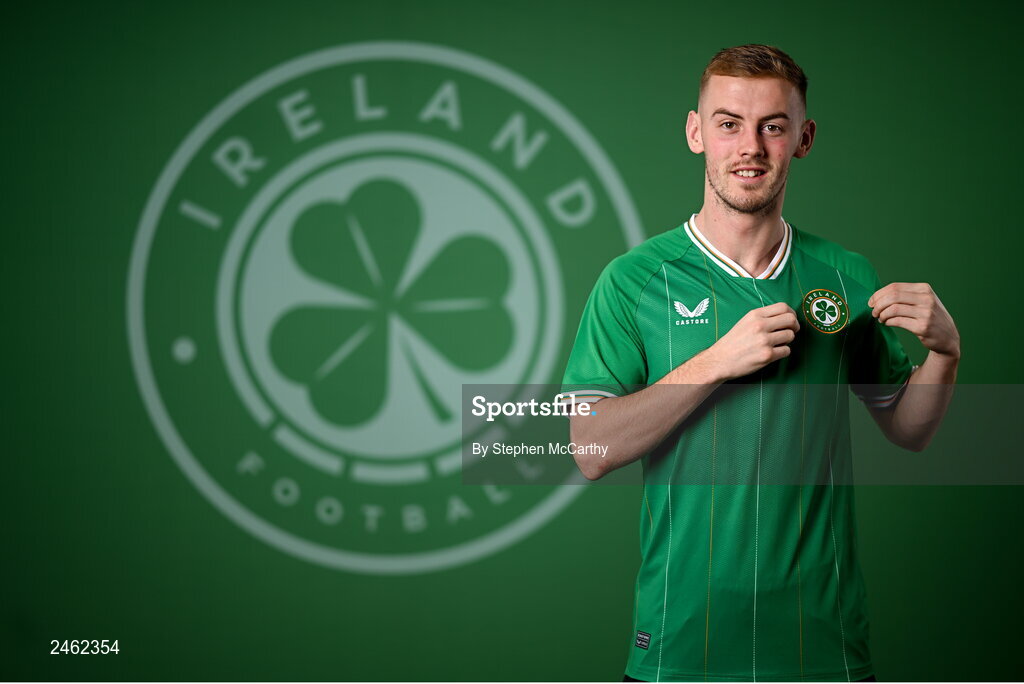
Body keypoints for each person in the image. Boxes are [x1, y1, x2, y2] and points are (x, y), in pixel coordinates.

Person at [558, 45, 960, 682]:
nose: (750, 146)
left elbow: (909, 430)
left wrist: (945, 353)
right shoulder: (633, 280)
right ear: (696, 132)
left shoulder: (846, 275)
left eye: (772, 126)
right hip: (678, 644)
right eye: (728, 123)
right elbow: (590, 448)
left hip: (821, 646)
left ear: (803, 138)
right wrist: (715, 362)